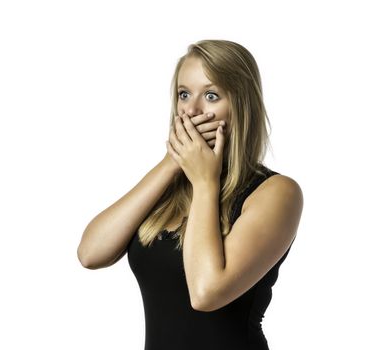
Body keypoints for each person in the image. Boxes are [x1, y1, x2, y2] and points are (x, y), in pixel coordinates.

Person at [77, 39, 303, 350]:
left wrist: (205, 183)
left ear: (241, 106)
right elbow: (90, 253)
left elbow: (205, 293)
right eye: (184, 94)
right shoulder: (170, 188)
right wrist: (172, 163)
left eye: (211, 95)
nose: (192, 110)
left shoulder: (277, 193)